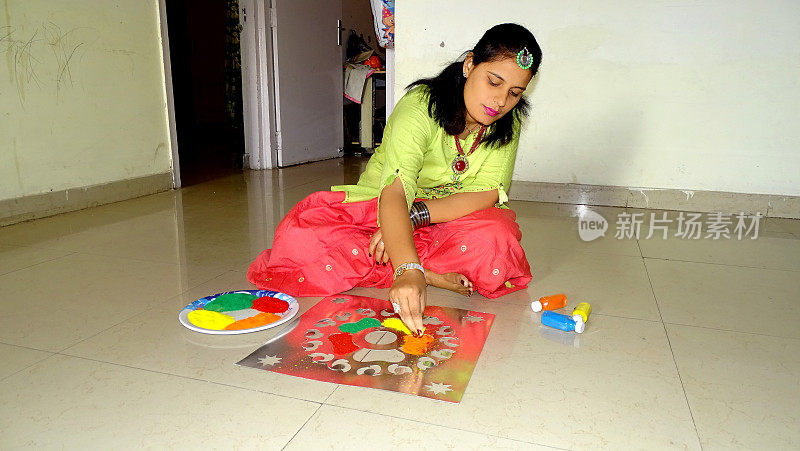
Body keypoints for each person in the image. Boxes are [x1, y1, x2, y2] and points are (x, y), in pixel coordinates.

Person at [248, 23, 542, 334]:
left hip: (448, 216)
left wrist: (416, 217)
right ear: (470, 64)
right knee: (305, 239)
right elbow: (396, 191)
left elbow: (487, 193)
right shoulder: (420, 107)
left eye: (513, 93)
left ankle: (406, 257)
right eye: (494, 82)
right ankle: (424, 270)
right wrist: (408, 267)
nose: (500, 102)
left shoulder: (507, 123)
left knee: (498, 237)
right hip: (380, 205)